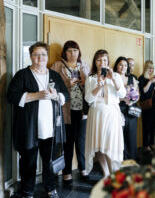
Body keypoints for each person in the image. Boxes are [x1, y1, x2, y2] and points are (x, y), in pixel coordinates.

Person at [7, 42, 69, 198]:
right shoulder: (22, 75)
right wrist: (37, 95)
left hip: (51, 127)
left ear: (47, 57)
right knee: (29, 161)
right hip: (29, 128)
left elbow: (65, 95)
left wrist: (57, 95)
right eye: (36, 54)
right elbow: (11, 96)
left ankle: (51, 188)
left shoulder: (54, 75)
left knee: (49, 161)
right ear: (30, 57)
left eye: (43, 54)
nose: (40, 57)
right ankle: (27, 191)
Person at [51, 40, 90, 184]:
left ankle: (82, 168)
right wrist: (68, 83)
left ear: (79, 52)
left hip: (82, 109)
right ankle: (67, 171)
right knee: (67, 142)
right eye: (69, 50)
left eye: (75, 50)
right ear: (64, 52)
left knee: (81, 141)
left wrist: (84, 83)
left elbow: (90, 86)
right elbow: (52, 86)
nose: (72, 53)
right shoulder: (57, 65)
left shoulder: (84, 65)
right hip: (66, 109)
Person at [85, 50, 126, 177]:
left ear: (108, 62)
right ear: (95, 62)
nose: (101, 63)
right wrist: (99, 85)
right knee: (99, 147)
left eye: (104, 60)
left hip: (112, 114)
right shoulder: (91, 79)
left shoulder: (116, 76)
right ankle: (106, 175)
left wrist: (113, 79)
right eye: (99, 60)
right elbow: (88, 99)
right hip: (96, 115)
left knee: (110, 146)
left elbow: (123, 94)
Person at [114, 56, 139, 160]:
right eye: (120, 65)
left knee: (131, 136)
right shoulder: (113, 78)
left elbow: (137, 95)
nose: (123, 67)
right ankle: (120, 160)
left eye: (125, 65)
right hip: (117, 109)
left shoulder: (132, 78)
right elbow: (110, 96)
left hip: (131, 110)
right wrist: (123, 99)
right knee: (119, 136)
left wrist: (132, 100)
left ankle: (131, 159)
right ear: (117, 66)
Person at [138, 60, 155, 153]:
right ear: (146, 68)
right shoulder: (141, 78)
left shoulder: (153, 78)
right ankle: (145, 145)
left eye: (152, 68)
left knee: (153, 126)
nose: (151, 70)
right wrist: (150, 82)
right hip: (146, 106)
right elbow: (143, 91)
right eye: (149, 68)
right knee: (146, 126)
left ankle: (152, 143)